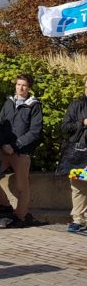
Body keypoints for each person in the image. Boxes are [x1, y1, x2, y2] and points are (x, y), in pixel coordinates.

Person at [0, 74, 43, 227]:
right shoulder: (8, 102)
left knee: (22, 186)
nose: (20, 88)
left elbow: (35, 131)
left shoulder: (34, 105)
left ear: (29, 87)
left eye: (24, 85)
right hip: (4, 150)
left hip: (20, 152)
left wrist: (15, 145)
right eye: (18, 84)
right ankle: (4, 204)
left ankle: (20, 216)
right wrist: (3, 144)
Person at [60, 76, 87, 233]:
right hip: (80, 152)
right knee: (78, 187)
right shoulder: (77, 105)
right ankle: (78, 219)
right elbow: (64, 127)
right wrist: (82, 123)